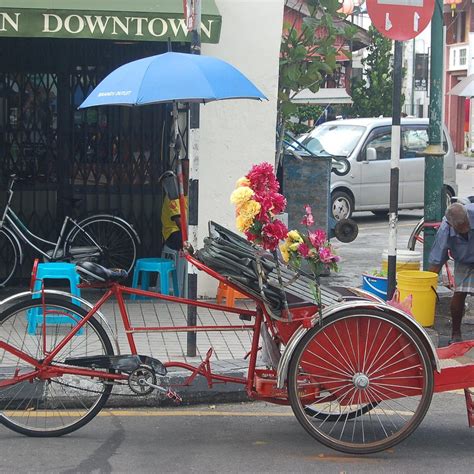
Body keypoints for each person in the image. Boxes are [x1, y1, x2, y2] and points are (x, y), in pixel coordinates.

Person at [429, 202, 474, 343]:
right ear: (452, 225)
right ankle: (455, 334)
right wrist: (427, 285)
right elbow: (437, 259)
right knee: (460, 293)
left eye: (466, 225)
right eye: (461, 228)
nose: (465, 230)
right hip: (464, 259)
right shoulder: (445, 229)